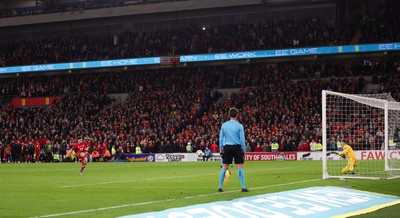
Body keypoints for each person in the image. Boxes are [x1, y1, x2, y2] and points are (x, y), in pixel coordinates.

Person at [218, 107, 249, 192]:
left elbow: (221, 138)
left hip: (227, 147)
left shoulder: (224, 125)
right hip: (237, 147)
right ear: (237, 115)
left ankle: (220, 187)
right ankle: (243, 187)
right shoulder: (239, 126)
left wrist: (221, 148)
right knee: (240, 167)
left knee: (224, 167)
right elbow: (242, 139)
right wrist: (243, 150)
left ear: (229, 115)